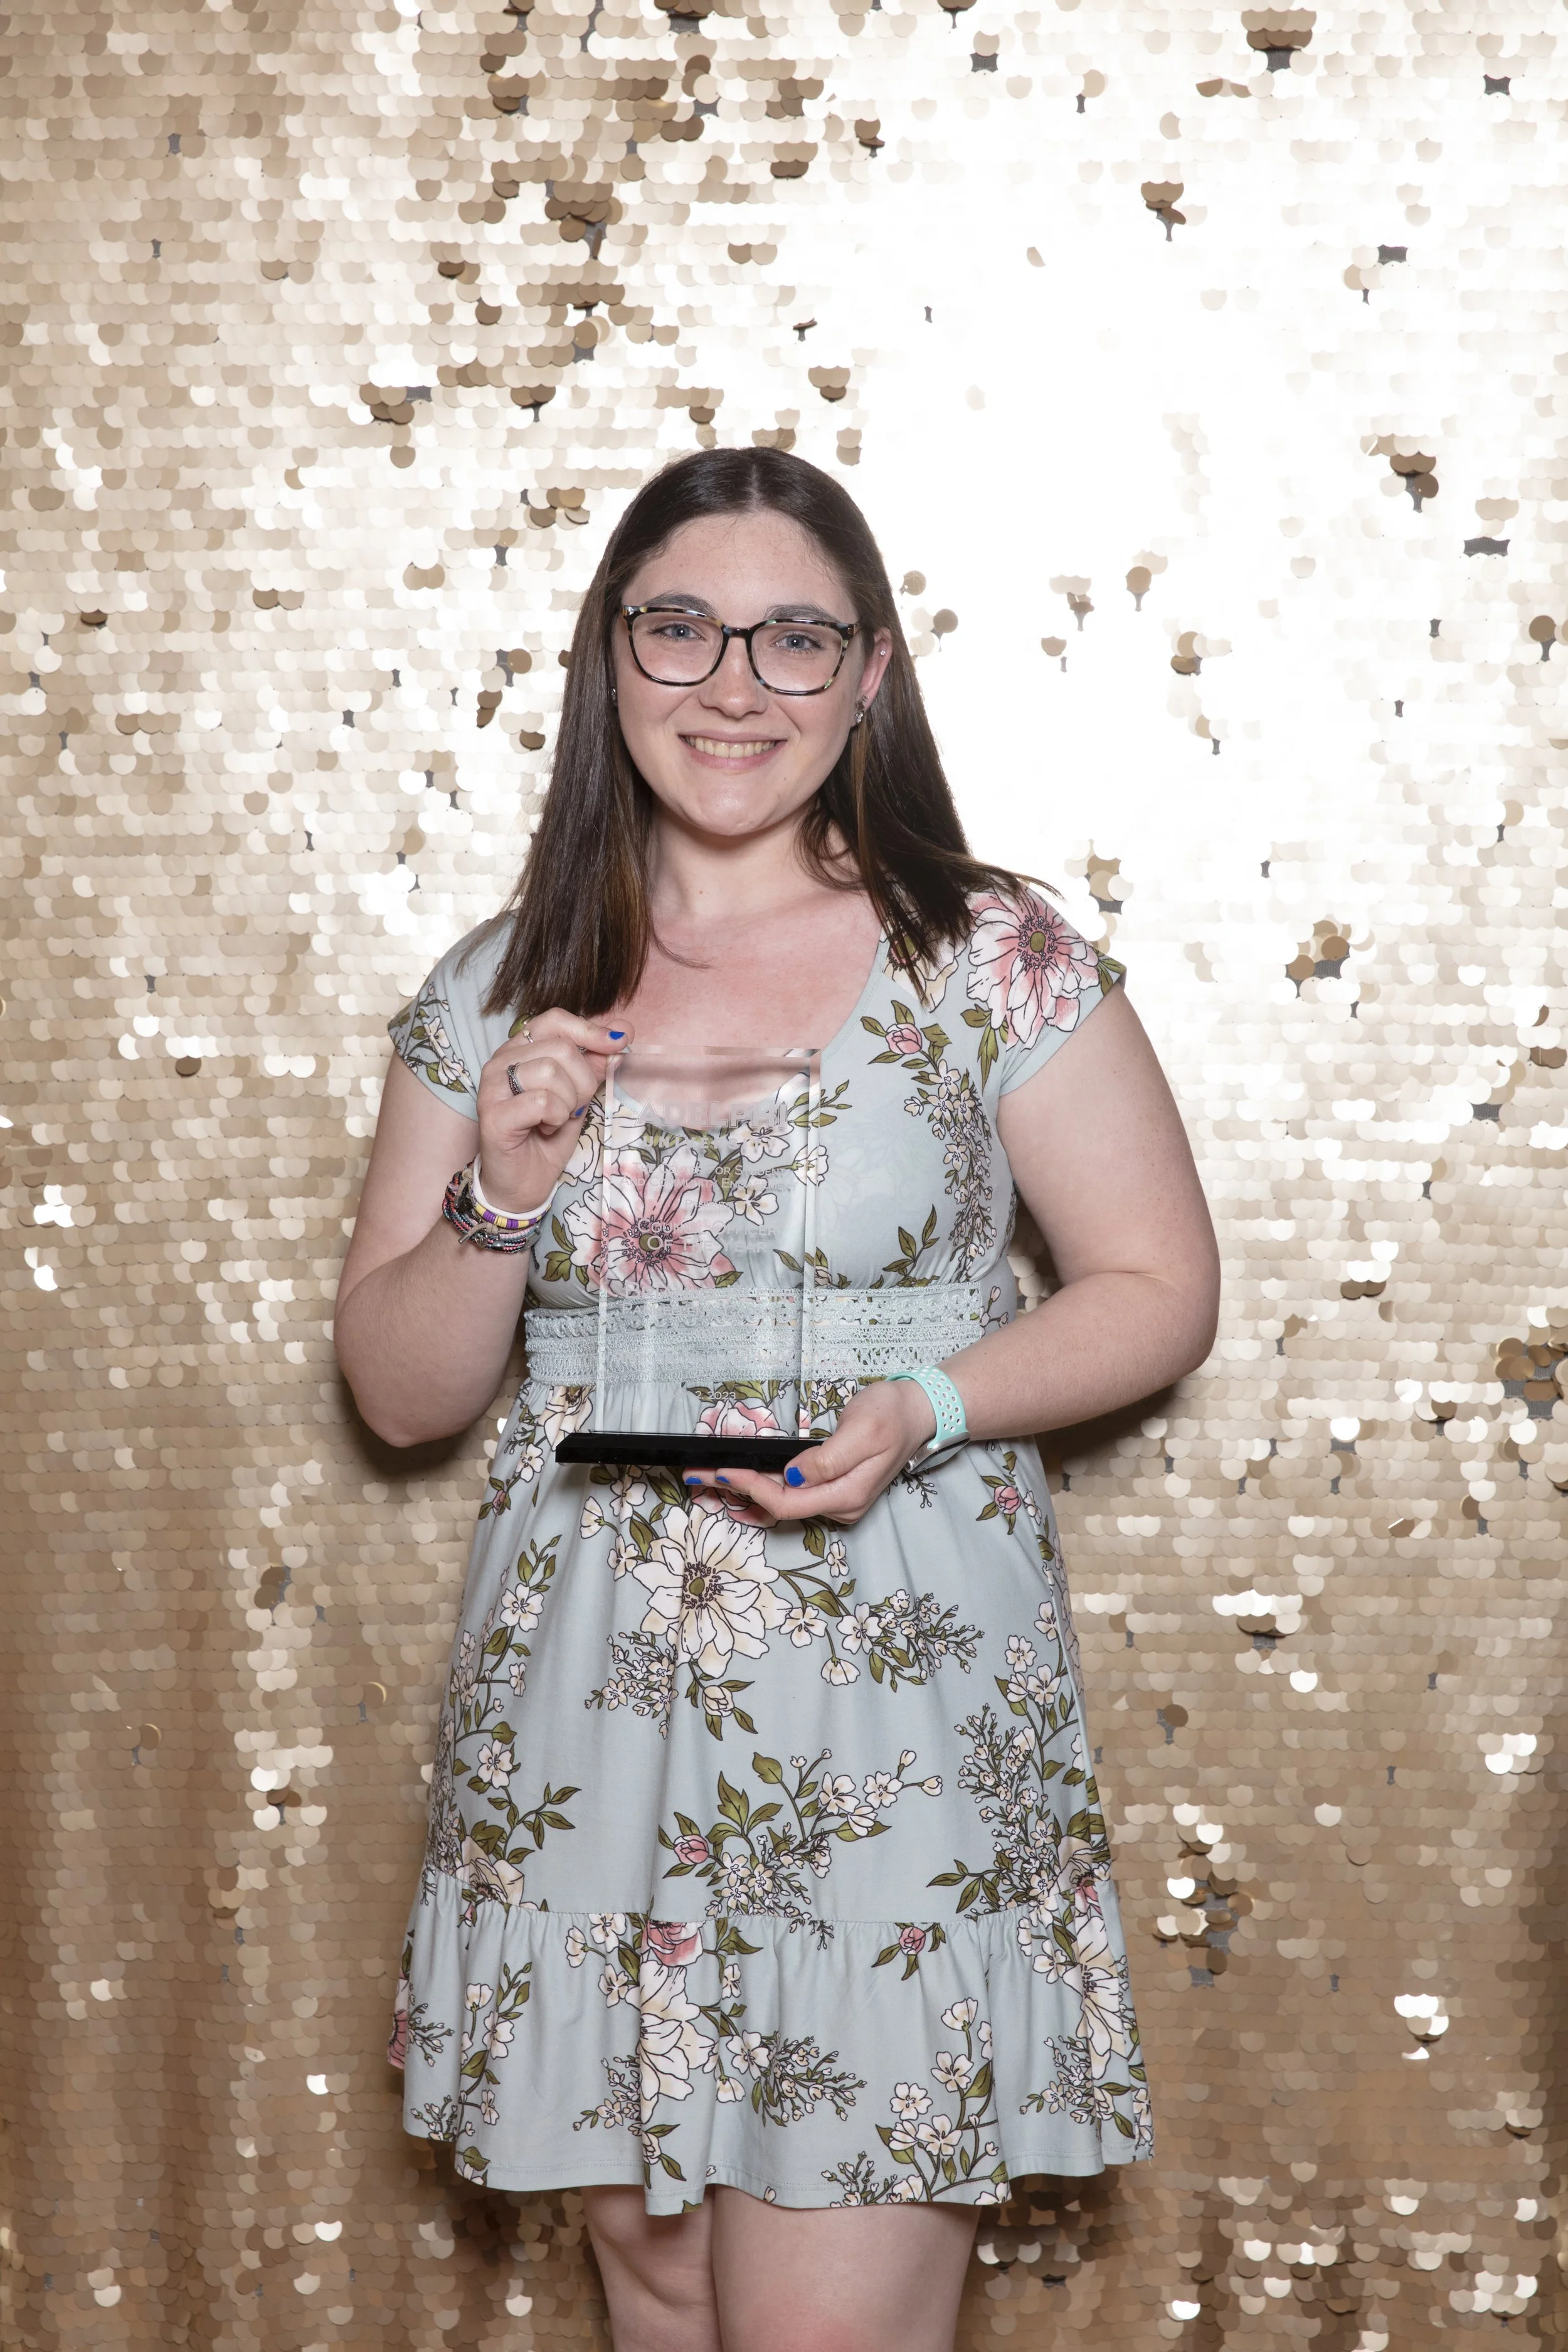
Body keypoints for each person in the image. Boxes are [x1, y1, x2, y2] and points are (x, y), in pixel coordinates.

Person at [335, 446, 1219, 2352]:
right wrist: (502, 1185)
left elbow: (1157, 1289)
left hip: (891, 1690)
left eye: (790, 635)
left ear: (867, 676)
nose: (733, 680)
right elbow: (400, 1393)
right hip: (580, 1710)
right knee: (656, 2279)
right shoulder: (497, 991)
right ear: (611, 658)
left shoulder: (987, 957)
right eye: (681, 625)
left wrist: (921, 1400)